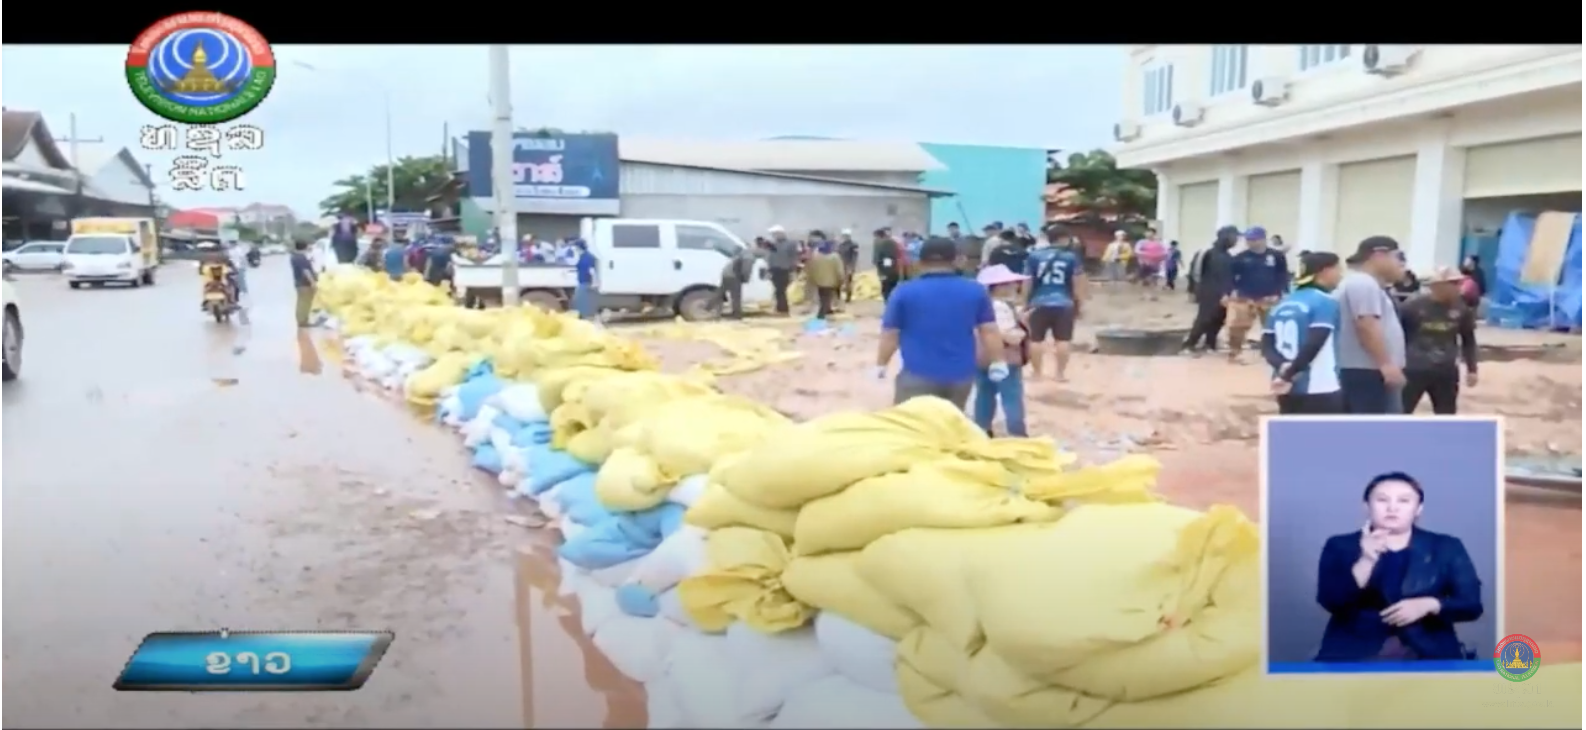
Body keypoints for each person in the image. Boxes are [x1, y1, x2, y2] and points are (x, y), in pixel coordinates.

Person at [1314, 472, 1484, 663]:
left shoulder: (1446, 546)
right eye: (1382, 500)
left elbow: (1472, 605)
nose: (1392, 508)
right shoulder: (1340, 545)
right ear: (1366, 506)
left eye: (1404, 501)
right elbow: (1331, 601)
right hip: (1353, 654)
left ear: (1418, 508)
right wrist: (1366, 560)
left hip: (1430, 653)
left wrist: (1429, 605)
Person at [875, 237, 1008, 409]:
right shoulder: (975, 291)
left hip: (917, 375)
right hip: (961, 377)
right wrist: (998, 361)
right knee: (949, 426)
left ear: (919, 262)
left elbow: (890, 335)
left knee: (913, 429)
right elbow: (989, 330)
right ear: (955, 260)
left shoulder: (903, 292)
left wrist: (881, 364)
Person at [1262, 252, 1345, 414]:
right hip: (1320, 386)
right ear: (1325, 271)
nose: (1340, 275)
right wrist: (1292, 372)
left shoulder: (1282, 303)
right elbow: (1316, 341)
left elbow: (1266, 345)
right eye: (1338, 269)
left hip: (1284, 386)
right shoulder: (1325, 301)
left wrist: (1283, 369)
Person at [1335, 236, 1408, 415]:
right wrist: (1386, 364)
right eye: (1398, 257)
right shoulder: (1363, 283)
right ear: (1379, 255)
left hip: (1368, 370)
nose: (1401, 264)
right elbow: (1366, 325)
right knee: (1374, 432)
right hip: (1366, 372)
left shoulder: (1369, 285)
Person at [1398, 267, 1479, 415]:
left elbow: (1468, 339)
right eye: (1452, 284)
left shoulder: (1461, 308)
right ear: (1436, 286)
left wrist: (1472, 369)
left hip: (1445, 371)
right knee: (1401, 412)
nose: (1458, 288)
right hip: (1413, 370)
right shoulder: (1412, 307)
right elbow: (1398, 337)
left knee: (1446, 415)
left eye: (1459, 283)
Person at [972, 265, 1031, 437]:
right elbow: (1004, 334)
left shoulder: (981, 305)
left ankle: (981, 430)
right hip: (1005, 357)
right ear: (1000, 286)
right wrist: (1019, 333)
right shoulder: (1001, 307)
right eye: (1011, 283)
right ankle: (1017, 432)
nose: (1015, 286)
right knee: (1011, 397)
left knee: (984, 395)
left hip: (981, 357)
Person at [1023, 231, 1085, 382]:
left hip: (1038, 302)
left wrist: (1025, 302)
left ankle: (1037, 373)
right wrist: (1079, 304)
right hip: (1064, 303)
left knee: (1035, 339)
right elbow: (1078, 283)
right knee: (1063, 340)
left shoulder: (1034, 256)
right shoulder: (1071, 257)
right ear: (1063, 239)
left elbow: (1027, 282)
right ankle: (1060, 374)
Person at [1226, 226, 1290, 362]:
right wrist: (1232, 290)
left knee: (1272, 327)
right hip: (1245, 297)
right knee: (1237, 326)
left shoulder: (1276, 256)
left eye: (1253, 239)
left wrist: (1280, 292)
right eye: (1248, 239)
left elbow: (1282, 274)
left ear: (1262, 239)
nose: (1250, 242)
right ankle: (1235, 352)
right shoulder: (1240, 258)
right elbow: (1231, 276)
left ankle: (1271, 353)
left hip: (1269, 298)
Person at [1181, 226, 1238, 355]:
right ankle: (1189, 345)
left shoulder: (1227, 256)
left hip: (1223, 294)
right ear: (1225, 237)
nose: (1236, 241)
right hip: (1209, 292)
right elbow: (1194, 272)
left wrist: (1228, 292)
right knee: (1205, 319)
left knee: (1218, 319)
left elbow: (1228, 276)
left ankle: (1210, 344)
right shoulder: (1208, 253)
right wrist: (1192, 290)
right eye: (1234, 237)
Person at [805, 238, 844, 319]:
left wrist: (812, 280)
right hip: (831, 281)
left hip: (819, 281)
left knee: (822, 297)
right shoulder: (835, 257)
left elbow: (810, 269)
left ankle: (827, 310)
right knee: (826, 299)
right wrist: (841, 280)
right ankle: (821, 315)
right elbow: (839, 271)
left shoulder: (815, 256)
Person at [717, 241, 757, 319]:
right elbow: (746, 269)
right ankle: (737, 315)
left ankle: (706, 307)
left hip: (727, 274)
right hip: (734, 276)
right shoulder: (749, 255)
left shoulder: (741, 253)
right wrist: (745, 278)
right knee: (736, 296)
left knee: (720, 292)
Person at [765, 225, 799, 315]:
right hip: (774, 269)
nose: (774, 236)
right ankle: (780, 307)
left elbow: (793, 257)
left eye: (775, 234)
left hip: (784, 269)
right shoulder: (773, 244)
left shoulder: (790, 244)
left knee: (781, 290)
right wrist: (768, 269)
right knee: (778, 290)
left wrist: (793, 270)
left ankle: (783, 308)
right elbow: (770, 257)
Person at [290, 239, 318, 328]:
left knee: (301, 302)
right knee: (304, 303)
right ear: (305, 246)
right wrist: (313, 282)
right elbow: (306, 271)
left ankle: (302, 320)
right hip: (304, 284)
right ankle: (303, 321)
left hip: (299, 283)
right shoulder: (301, 258)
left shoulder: (294, 256)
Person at [873, 228, 904, 301]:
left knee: (887, 289)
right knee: (890, 288)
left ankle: (889, 304)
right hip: (893, 270)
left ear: (879, 235)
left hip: (888, 271)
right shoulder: (892, 242)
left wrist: (885, 273)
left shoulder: (885, 243)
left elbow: (887, 258)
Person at [571, 239, 599, 320]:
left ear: (579, 247)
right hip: (582, 282)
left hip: (585, 283)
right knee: (581, 302)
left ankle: (585, 318)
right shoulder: (583, 256)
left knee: (581, 302)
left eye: (575, 247)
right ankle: (584, 317)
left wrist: (595, 282)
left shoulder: (587, 257)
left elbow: (592, 271)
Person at [836, 229, 860, 303]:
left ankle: (848, 297)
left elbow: (854, 257)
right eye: (844, 235)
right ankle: (838, 297)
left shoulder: (853, 245)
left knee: (847, 283)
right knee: (838, 282)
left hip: (848, 265)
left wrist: (851, 267)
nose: (845, 237)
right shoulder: (840, 245)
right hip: (840, 265)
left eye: (846, 236)